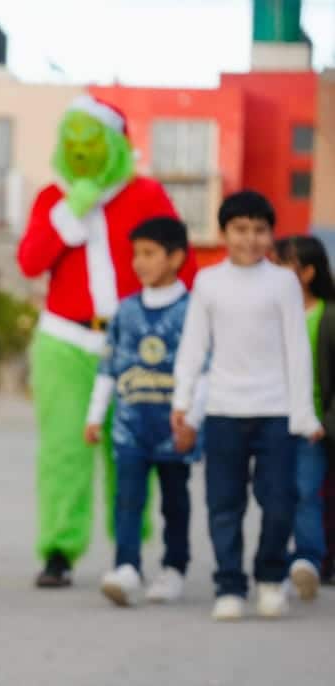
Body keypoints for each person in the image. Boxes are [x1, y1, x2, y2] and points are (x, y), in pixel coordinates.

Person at [17, 94, 197, 589]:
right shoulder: (52, 198)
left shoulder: (146, 195)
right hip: (65, 340)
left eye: (91, 142)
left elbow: (182, 264)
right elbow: (30, 262)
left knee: (134, 450)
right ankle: (58, 548)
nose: (80, 152)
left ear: (115, 145)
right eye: (72, 142)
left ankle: (128, 551)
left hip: (138, 342)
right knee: (63, 450)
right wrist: (71, 209)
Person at [173, 191, 323, 621]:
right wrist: (183, 401)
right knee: (224, 505)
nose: (250, 239)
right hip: (223, 410)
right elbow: (193, 345)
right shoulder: (208, 282)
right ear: (224, 233)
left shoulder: (283, 283)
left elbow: (297, 350)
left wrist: (303, 414)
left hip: (276, 412)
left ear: (271, 234)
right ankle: (229, 586)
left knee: (279, 502)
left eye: (260, 230)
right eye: (240, 229)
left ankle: (271, 579)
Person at [85, 217, 205, 607]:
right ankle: (127, 567)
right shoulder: (125, 311)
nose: (139, 262)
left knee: (175, 501)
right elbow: (109, 367)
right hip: (129, 429)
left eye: (150, 253)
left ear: (176, 257)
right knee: (127, 499)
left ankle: (174, 568)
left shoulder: (193, 311)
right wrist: (94, 415)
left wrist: (193, 420)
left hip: (173, 429)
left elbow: (204, 370)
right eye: (136, 254)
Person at [274, 235, 335, 603]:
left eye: (282, 265)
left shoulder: (327, 317)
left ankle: (309, 560)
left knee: (306, 492)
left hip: (312, 425)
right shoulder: (272, 314)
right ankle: (279, 560)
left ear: (307, 273)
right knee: (274, 494)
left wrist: (326, 422)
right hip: (271, 420)